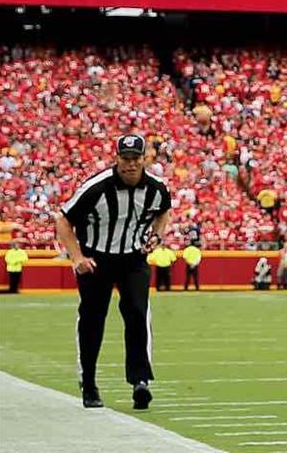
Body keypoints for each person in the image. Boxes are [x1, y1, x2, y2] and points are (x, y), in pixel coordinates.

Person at [56, 134, 171, 410]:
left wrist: (156, 237)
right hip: (96, 259)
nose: (130, 165)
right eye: (125, 159)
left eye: (135, 159)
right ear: (117, 159)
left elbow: (164, 211)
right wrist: (77, 257)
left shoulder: (156, 188)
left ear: (144, 159)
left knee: (137, 311)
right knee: (93, 320)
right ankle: (89, 381)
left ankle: (140, 380)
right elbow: (63, 218)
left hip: (133, 258)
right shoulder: (96, 188)